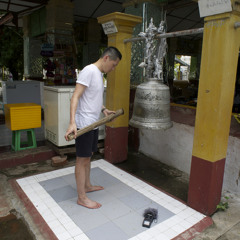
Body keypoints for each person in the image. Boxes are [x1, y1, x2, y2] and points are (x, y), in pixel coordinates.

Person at [64, 46, 122, 209]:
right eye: (114, 64)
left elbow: (92, 96)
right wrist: (72, 122)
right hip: (84, 124)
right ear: (106, 58)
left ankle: (87, 186)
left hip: (93, 123)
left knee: (88, 156)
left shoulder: (99, 75)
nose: (113, 68)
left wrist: (103, 109)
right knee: (82, 160)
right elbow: (76, 96)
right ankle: (81, 197)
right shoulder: (89, 71)